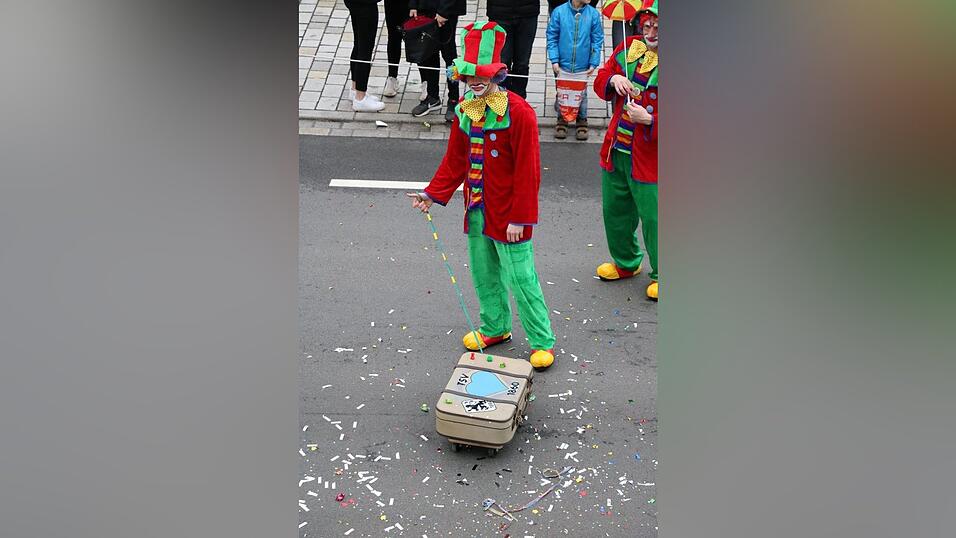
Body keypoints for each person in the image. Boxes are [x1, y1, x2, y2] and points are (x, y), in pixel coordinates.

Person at [406, 22, 557, 370]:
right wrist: (432, 194)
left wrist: (521, 218)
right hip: (476, 209)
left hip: (509, 215)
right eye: (469, 76)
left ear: (495, 74)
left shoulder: (520, 113)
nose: (474, 82)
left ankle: (542, 340)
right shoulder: (466, 108)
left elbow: (529, 172)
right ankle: (495, 327)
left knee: (521, 278)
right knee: (484, 273)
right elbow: (455, 161)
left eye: (481, 75)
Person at [593, 0, 659, 300]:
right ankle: (626, 262)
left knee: (655, 219)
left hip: (651, 159)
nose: (650, 33)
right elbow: (600, 80)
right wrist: (613, 78)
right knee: (615, 211)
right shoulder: (629, 48)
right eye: (647, 26)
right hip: (617, 149)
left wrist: (651, 120)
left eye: (657, 28)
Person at [546, 0, 603, 140]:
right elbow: (552, 37)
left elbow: (597, 39)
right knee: (563, 91)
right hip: (563, 63)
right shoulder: (559, 12)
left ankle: (582, 120)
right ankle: (562, 119)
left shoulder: (593, 14)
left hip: (582, 64)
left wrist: (593, 62)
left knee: (581, 94)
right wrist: (554, 59)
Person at [408, 0, 466, 121]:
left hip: (446, 11)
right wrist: (413, 5)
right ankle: (433, 97)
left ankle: (454, 99)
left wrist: (444, 11)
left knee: (450, 57)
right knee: (428, 53)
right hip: (425, 9)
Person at [486, 0, 539, 99]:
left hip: (528, 12)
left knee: (522, 63)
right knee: (502, 62)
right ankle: (501, 99)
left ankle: (519, 100)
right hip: (499, 13)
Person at [344, 0, 386, 111]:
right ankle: (360, 97)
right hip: (365, 4)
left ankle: (355, 89)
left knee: (358, 45)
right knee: (365, 50)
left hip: (355, 3)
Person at [383, 0, 409, 98]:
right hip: (393, 4)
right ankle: (392, 77)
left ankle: (425, 81)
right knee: (393, 37)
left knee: (418, 39)